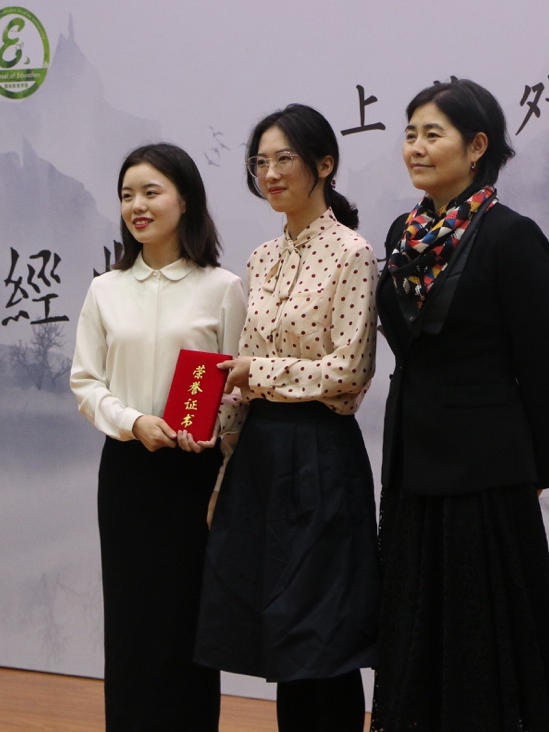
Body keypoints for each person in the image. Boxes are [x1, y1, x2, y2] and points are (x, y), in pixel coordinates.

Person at [371, 79, 549, 732]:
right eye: (410, 133)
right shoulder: (404, 234)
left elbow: (542, 366)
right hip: (412, 464)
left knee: (484, 643)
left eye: (432, 134)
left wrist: (538, 467)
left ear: (477, 146)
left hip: (485, 474)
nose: (415, 147)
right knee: (414, 636)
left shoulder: (510, 236)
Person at [195, 104, 380, 732]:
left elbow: (350, 372)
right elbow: (239, 373)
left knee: (324, 632)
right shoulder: (261, 258)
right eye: (260, 162)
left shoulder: (353, 253)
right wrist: (220, 459)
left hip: (321, 452)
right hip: (261, 456)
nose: (270, 173)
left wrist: (258, 372)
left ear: (324, 165)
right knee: (283, 631)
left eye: (284, 160)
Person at [70, 142, 246, 732]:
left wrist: (213, 432)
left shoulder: (222, 287)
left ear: (185, 199)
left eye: (151, 192)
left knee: (187, 623)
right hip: (127, 470)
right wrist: (132, 422)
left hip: (194, 476)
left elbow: (238, 389)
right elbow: (85, 383)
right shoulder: (106, 289)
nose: (137, 207)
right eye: (127, 196)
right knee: (131, 623)